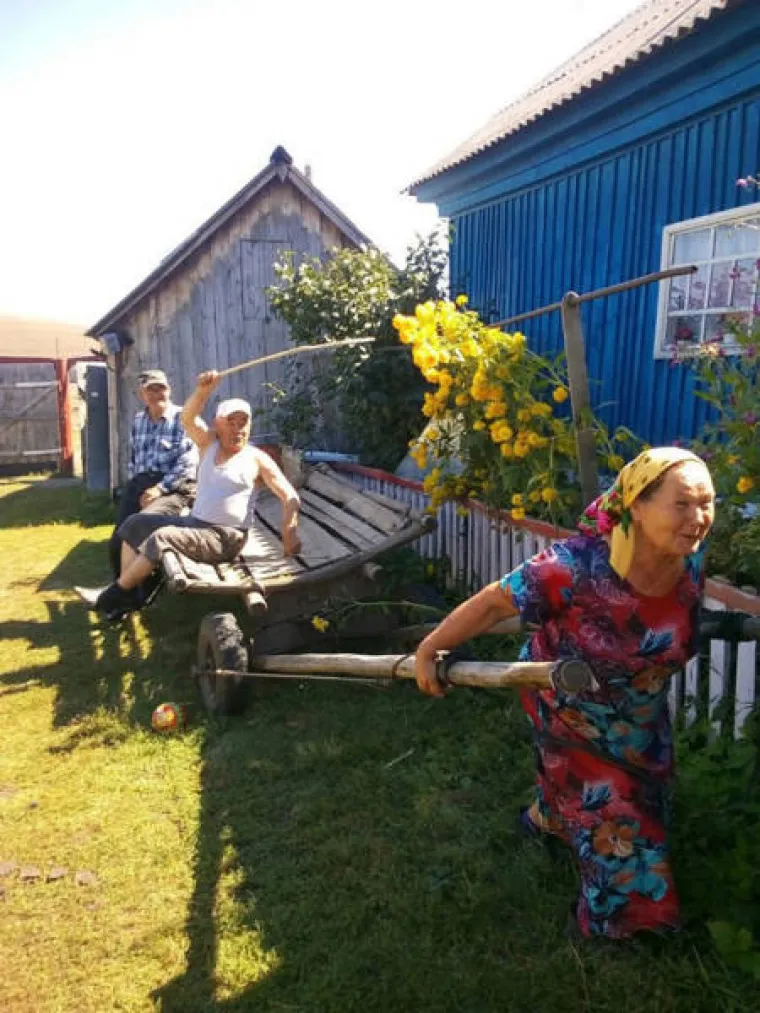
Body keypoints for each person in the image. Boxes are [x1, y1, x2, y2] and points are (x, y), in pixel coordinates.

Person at [414, 447, 715, 940]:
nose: (698, 517)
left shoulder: (690, 556)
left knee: (648, 794)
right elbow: (495, 603)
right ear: (636, 505)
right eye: (682, 504)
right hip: (569, 704)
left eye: (706, 502)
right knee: (624, 823)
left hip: (639, 709)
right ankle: (627, 927)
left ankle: (548, 818)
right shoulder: (574, 567)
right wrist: (430, 649)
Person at [76, 370, 301, 621]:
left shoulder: (257, 458)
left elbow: (289, 496)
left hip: (226, 537)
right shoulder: (208, 445)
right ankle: (128, 594)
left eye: (243, 423)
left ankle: (111, 597)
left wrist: (289, 530)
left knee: (162, 537)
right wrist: (204, 390)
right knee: (132, 524)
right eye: (231, 422)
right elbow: (187, 417)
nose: (238, 429)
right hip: (195, 523)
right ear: (217, 424)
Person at [109, 369, 198, 578]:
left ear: (169, 390)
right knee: (118, 539)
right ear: (142, 394)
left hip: (172, 488)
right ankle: (118, 593)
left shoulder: (183, 418)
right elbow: (133, 457)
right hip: (140, 485)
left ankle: (137, 594)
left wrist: (159, 489)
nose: (158, 394)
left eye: (162, 388)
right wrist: (135, 486)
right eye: (152, 390)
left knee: (139, 531)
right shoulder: (139, 420)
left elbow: (189, 462)